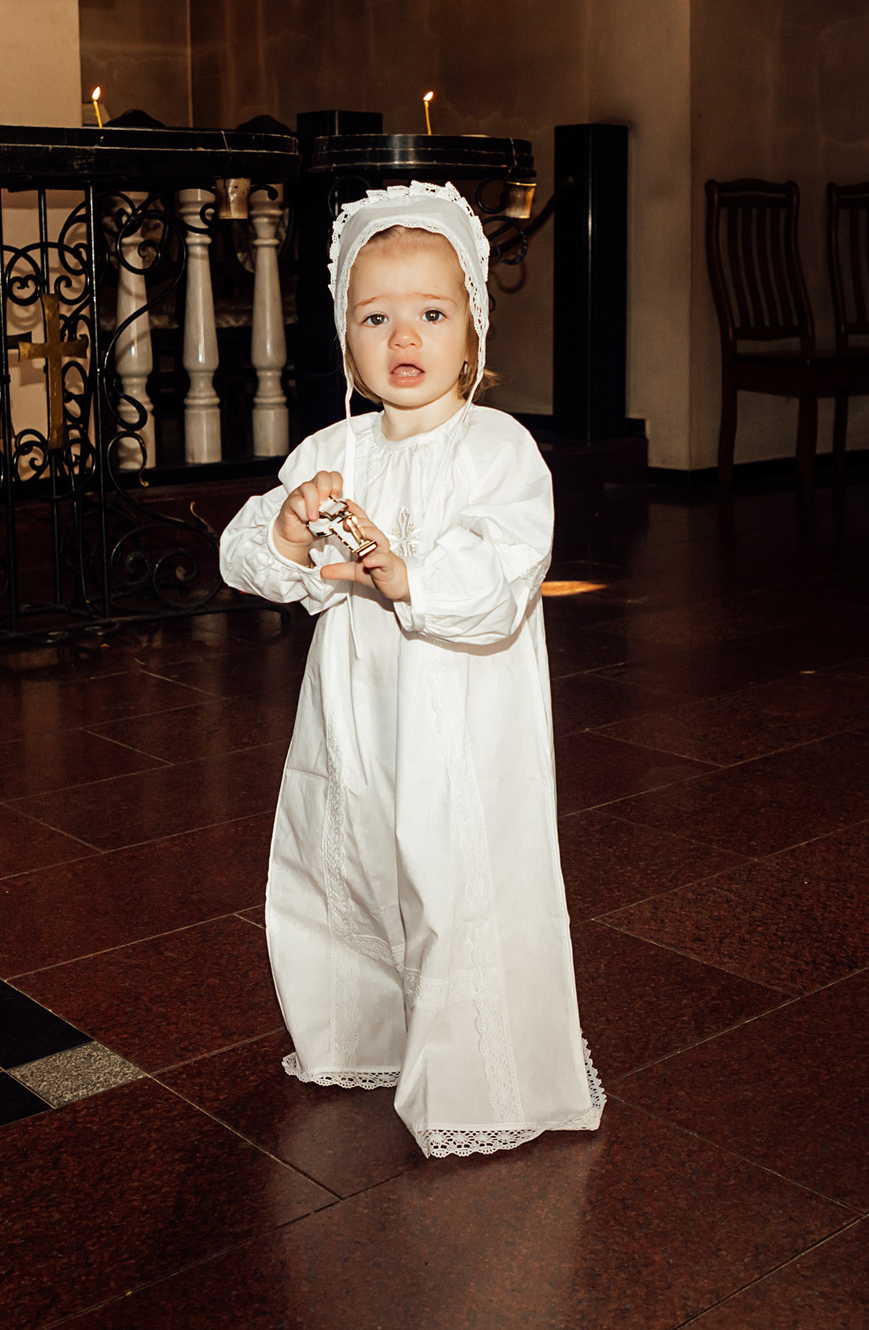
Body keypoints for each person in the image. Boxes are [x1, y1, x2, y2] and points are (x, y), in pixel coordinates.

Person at [218, 182, 602, 1158]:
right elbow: (245, 551)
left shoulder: (497, 448)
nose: (404, 335)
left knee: (453, 870)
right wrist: (293, 529)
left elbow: (508, 567)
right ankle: (362, 1032)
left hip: (459, 709)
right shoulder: (331, 448)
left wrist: (412, 572)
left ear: (470, 329)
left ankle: (483, 1078)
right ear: (346, 336)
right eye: (375, 313)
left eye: (431, 313)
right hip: (354, 709)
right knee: (345, 858)